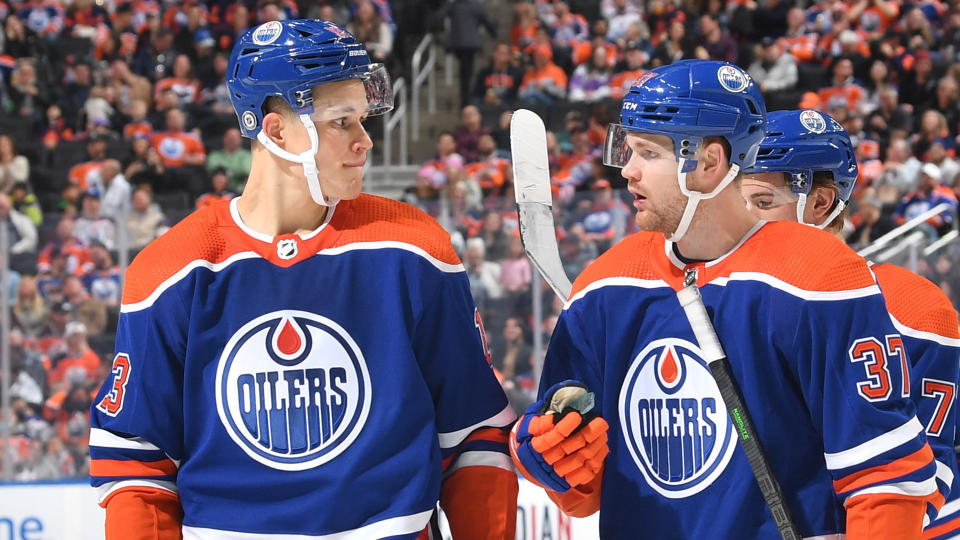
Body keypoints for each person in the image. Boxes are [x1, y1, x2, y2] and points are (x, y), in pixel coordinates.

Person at [89, 19, 517, 539]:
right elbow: (139, 467)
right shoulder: (173, 269)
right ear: (275, 131)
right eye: (342, 123)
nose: (365, 142)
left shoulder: (412, 247)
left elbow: (472, 436)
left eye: (362, 120)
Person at [510, 60, 940, 539]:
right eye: (626, 150)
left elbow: (885, 479)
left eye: (648, 153)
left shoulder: (819, 277)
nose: (626, 171)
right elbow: (582, 494)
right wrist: (555, 454)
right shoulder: (604, 285)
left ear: (710, 162)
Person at [741, 109, 960, 534]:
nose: (745, 220)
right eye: (738, 202)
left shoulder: (911, 306)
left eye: (763, 202)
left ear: (821, 202)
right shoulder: (728, 301)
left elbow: (924, 475)